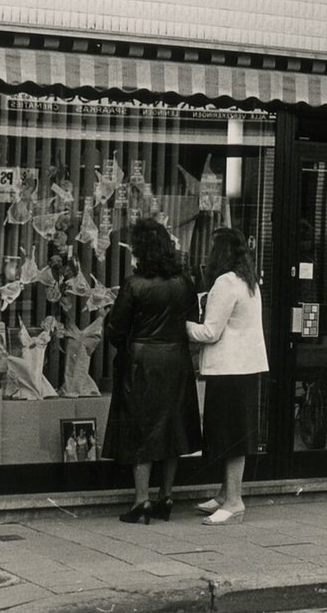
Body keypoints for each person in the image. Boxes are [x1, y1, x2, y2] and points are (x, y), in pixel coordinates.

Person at [102, 218, 202, 525]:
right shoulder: (185, 282)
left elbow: (116, 330)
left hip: (142, 363)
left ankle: (141, 500)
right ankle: (166, 496)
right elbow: (192, 319)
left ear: (141, 250)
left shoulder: (134, 284)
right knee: (171, 429)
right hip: (176, 360)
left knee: (141, 430)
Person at [188, 227, 269, 526]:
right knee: (236, 432)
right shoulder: (249, 281)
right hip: (246, 368)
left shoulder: (224, 282)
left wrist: (182, 325)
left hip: (228, 370)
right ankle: (225, 494)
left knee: (229, 435)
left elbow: (210, 332)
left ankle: (234, 501)